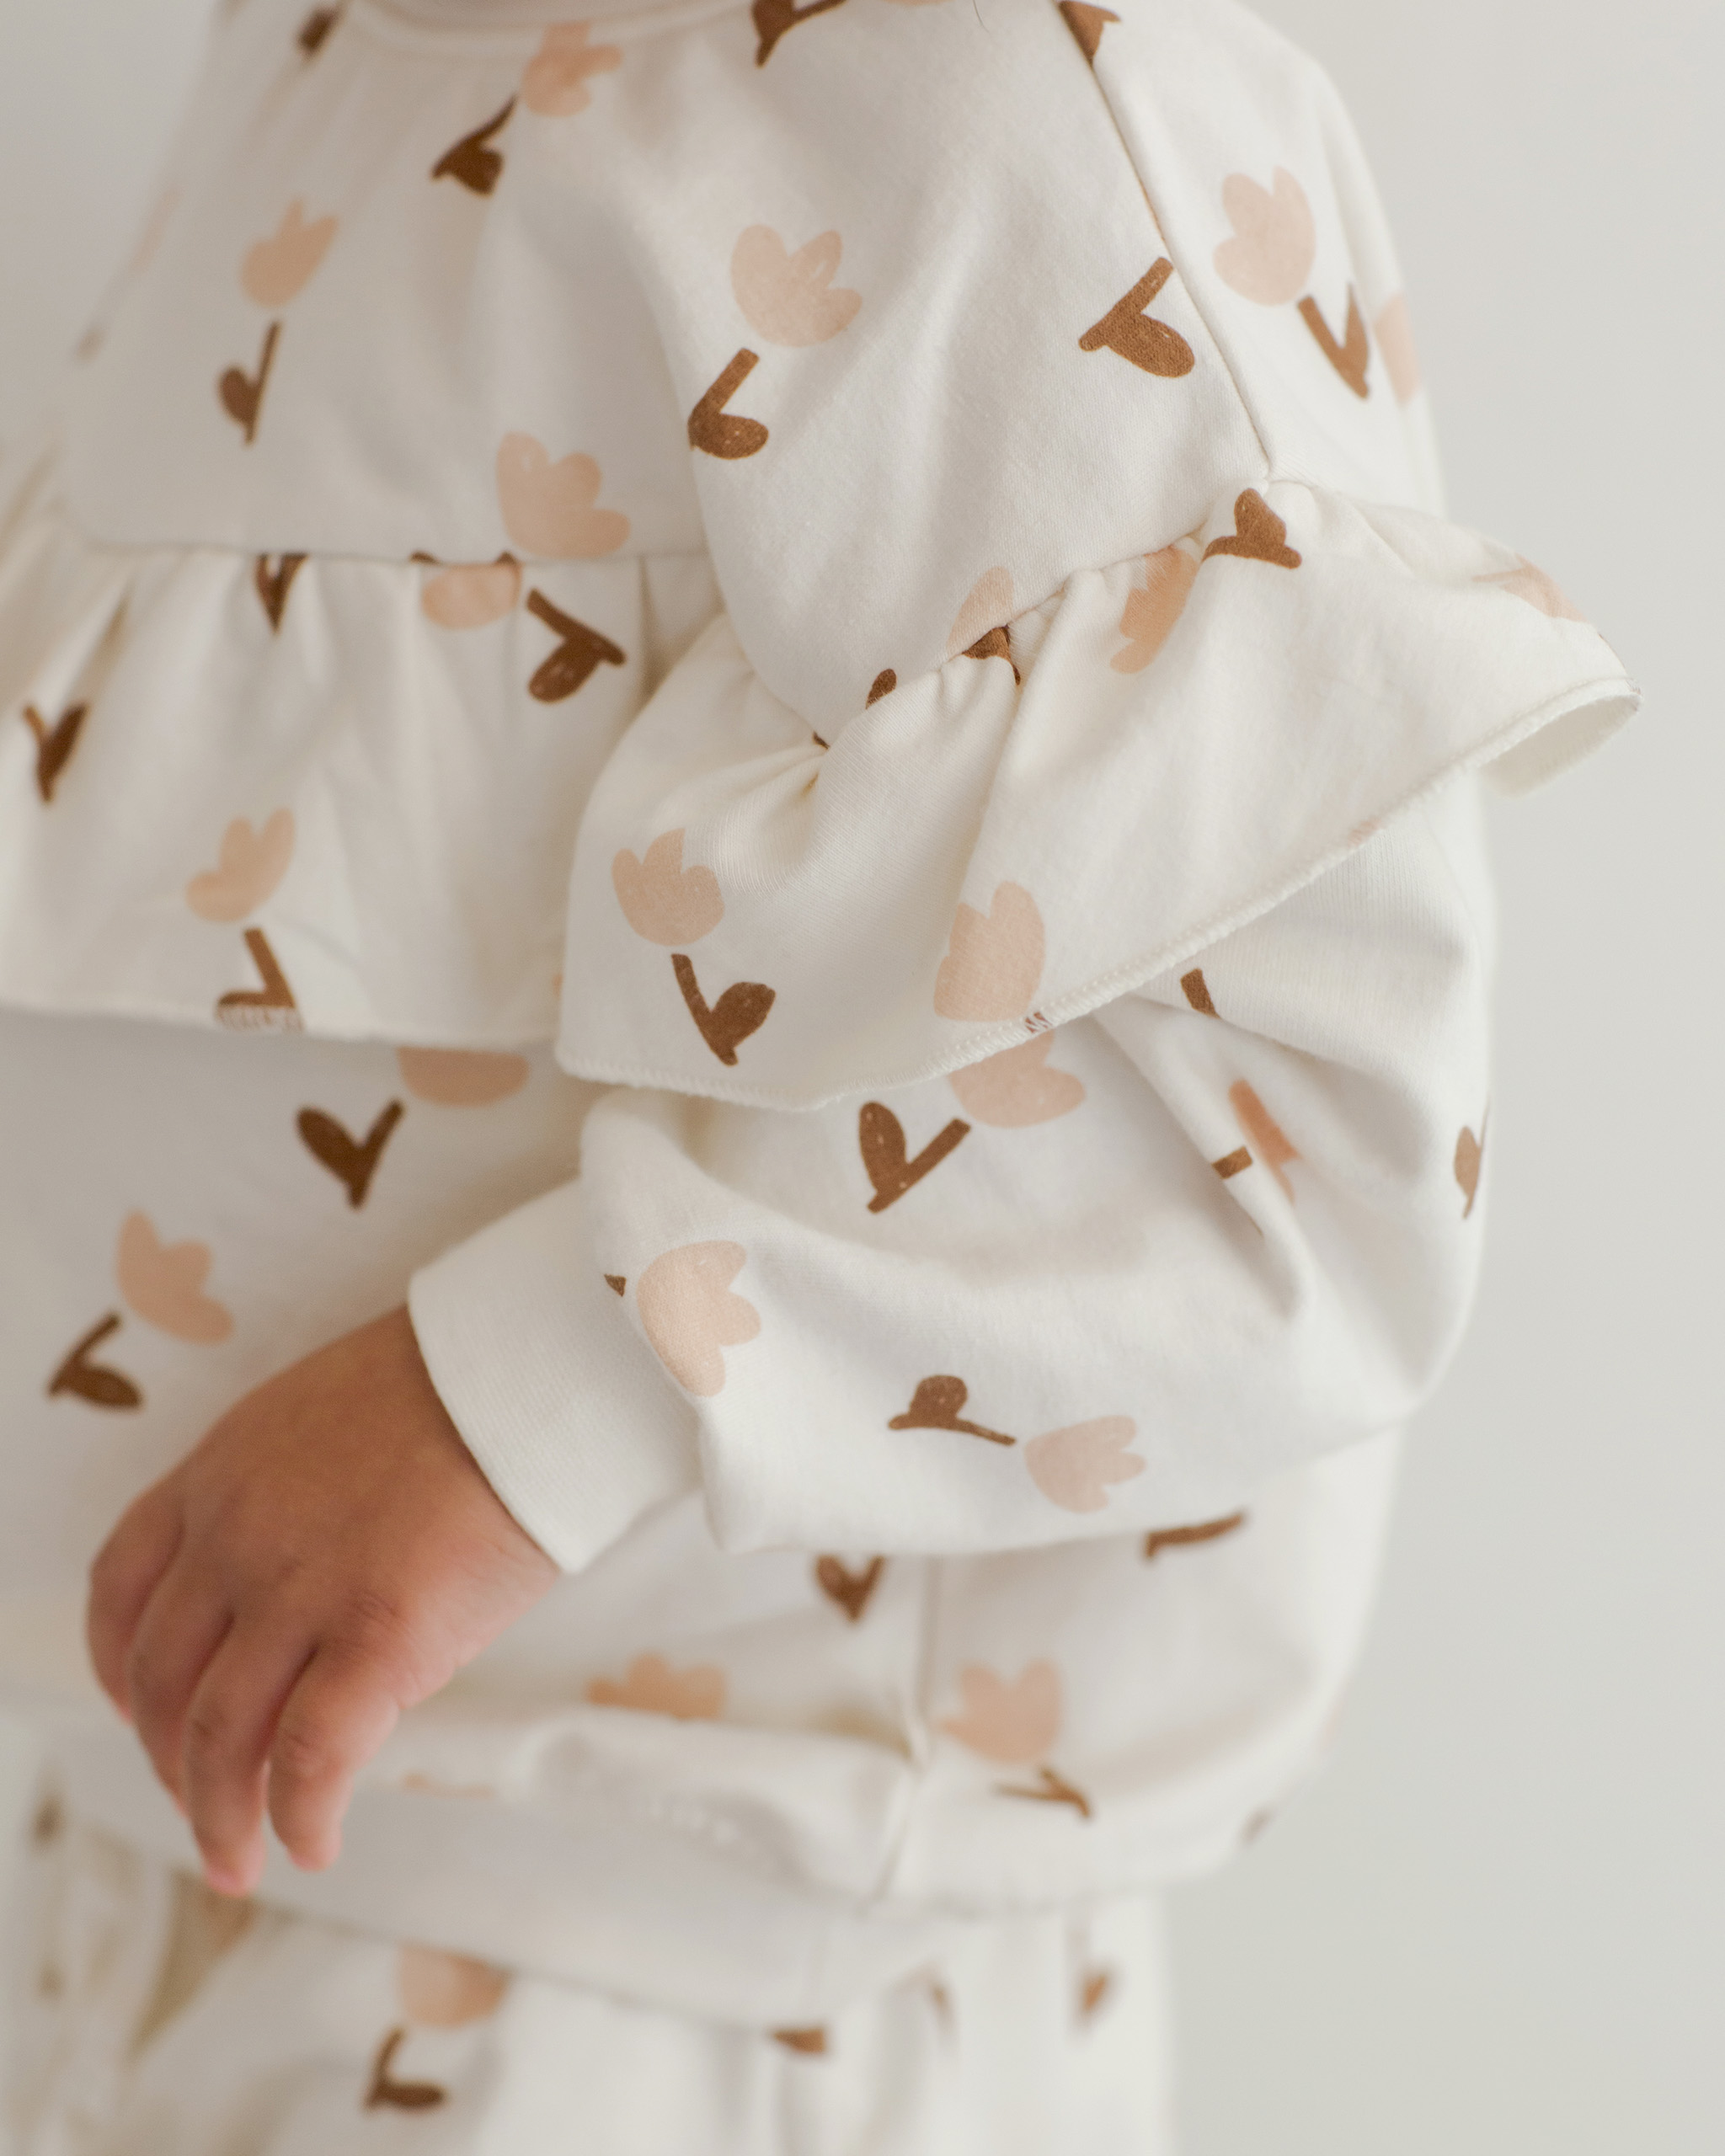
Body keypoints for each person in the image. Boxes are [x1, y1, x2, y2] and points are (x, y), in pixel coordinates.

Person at [0, 0, 1637, 2147]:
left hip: (663, 1978)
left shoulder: (987, 116)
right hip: (177, 1854)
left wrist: (536, 1389)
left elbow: (1288, 1144)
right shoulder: (312, 63)